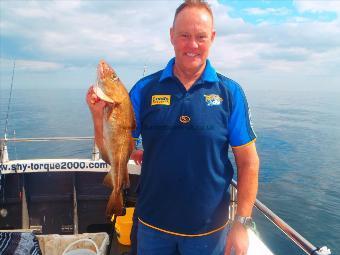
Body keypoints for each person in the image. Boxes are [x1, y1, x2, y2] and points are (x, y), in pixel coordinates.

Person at [87, 0, 259, 254]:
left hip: (209, 232)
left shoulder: (230, 93)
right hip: (152, 226)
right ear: (171, 36)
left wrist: (242, 223)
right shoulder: (144, 90)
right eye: (184, 35)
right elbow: (113, 156)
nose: (192, 45)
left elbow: (249, 163)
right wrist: (98, 118)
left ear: (212, 38)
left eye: (201, 36)